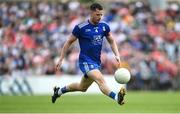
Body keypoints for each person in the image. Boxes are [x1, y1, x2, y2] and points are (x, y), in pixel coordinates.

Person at [52, 3, 126, 105]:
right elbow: (68, 42)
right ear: (91, 13)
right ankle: (117, 97)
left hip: (96, 62)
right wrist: (61, 59)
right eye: (97, 14)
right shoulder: (81, 27)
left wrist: (117, 54)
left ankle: (59, 91)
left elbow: (112, 41)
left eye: (101, 15)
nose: (99, 17)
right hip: (85, 61)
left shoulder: (104, 26)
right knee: (101, 80)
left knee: (82, 87)